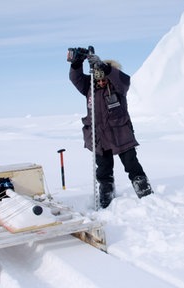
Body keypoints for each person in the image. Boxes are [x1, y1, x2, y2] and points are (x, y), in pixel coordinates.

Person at [69, 49, 153, 209]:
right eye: (98, 80)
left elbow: (124, 80)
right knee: (103, 171)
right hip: (99, 137)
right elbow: (76, 78)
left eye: (103, 80)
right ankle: (106, 199)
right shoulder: (90, 87)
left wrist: (104, 67)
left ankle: (146, 195)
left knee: (132, 165)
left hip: (121, 134)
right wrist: (76, 63)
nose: (100, 83)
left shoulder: (118, 86)